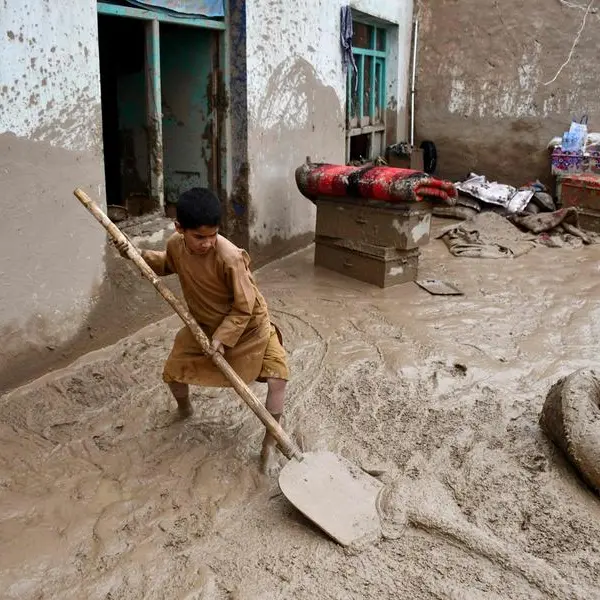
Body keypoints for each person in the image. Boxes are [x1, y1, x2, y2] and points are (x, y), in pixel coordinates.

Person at [114, 187, 289, 472]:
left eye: (213, 236)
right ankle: (184, 410)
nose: (207, 243)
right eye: (199, 237)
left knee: (278, 379)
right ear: (179, 228)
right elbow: (166, 264)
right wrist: (135, 254)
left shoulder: (230, 257)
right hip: (205, 327)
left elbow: (244, 307)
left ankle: (270, 445)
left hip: (249, 329)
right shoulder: (175, 245)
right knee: (173, 372)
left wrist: (222, 338)